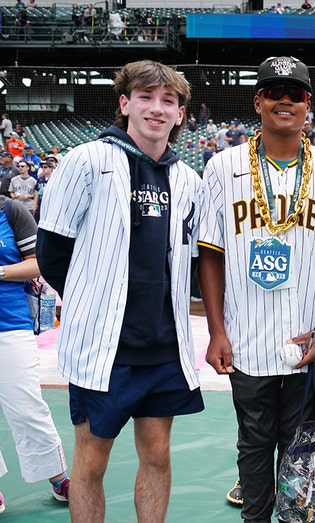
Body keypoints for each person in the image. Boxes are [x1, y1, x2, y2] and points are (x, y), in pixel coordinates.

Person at [36, 60, 205, 523]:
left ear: (180, 113)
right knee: (91, 461)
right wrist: (96, 300)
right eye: (146, 97)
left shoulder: (188, 179)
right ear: (125, 104)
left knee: (157, 454)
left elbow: (185, 262)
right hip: (103, 349)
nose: (157, 108)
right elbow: (53, 254)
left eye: (168, 100)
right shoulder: (86, 161)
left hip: (164, 346)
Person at [197, 56, 315, 523]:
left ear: (309, 105)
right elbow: (210, 253)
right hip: (247, 337)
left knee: (303, 452)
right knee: (255, 445)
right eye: (274, 91)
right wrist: (216, 331)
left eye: (296, 93)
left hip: (308, 339)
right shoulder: (222, 167)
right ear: (258, 100)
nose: (285, 99)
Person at [0, 195, 71, 514]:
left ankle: (58, 478)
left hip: (10, 324)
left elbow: (37, 263)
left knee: (27, 404)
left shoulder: (10, 210)